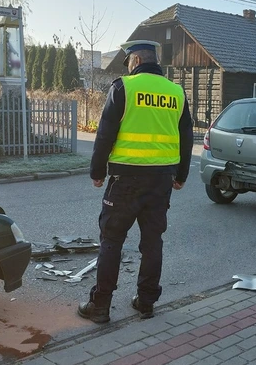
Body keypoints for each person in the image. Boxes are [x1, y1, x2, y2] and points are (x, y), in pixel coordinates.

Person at [78, 40, 193, 324]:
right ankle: (146, 302)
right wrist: (181, 175)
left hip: (125, 180)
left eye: (128, 62)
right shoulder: (176, 92)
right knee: (152, 242)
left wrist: (97, 171)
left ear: (137, 61)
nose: (128, 67)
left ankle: (101, 305)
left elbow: (105, 133)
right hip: (161, 180)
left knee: (112, 240)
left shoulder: (124, 88)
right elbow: (187, 138)